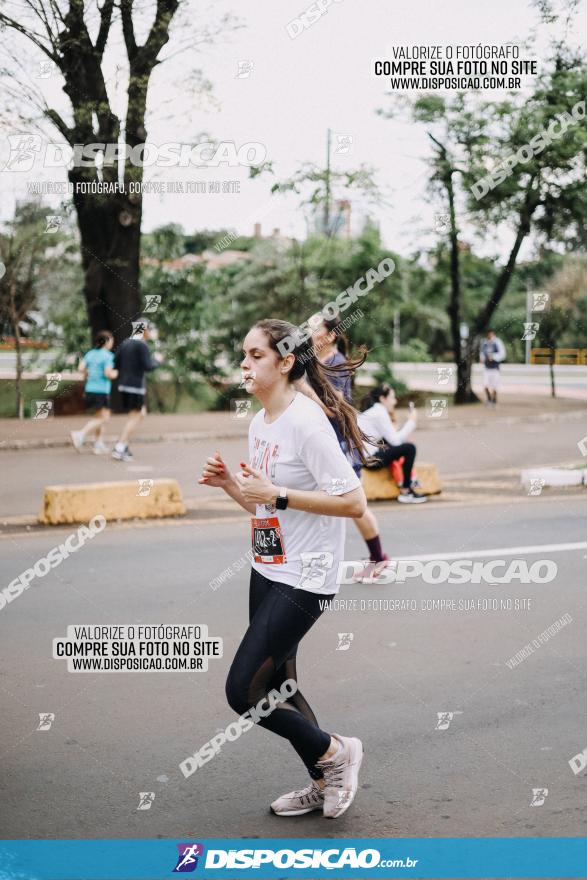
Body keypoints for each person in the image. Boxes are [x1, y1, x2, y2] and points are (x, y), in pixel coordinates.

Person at [199, 318, 367, 820]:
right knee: (279, 686)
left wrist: (274, 492)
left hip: (307, 577)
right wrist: (234, 486)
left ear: (286, 361)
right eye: (243, 355)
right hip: (270, 566)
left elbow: (355, 503)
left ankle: (338, 752)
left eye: (255, 355)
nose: (244, 365)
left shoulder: (306, 422)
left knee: (243, 691)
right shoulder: (260, 424)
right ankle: (323, 777)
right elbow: (270, 509)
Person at [309, 314, 392, 580]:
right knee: (319, 504)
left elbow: (335, 409)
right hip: (319, 444)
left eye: (314, 329)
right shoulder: (313, 362)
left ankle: (378, 558)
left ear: (330, 336)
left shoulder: (337, 364)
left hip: (340, 444)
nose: (309, 333)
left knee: (354, 506)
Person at [358, 384, 428, 503]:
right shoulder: (379, 412)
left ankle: (408, 483)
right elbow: (395, 441)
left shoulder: (374, 411)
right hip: (370, 460)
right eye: (392, 398)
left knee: (402, 446)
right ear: (382, 399)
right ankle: (406, 491)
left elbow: (390, 440)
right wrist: (411, 421)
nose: (395, 402)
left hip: (363, 457)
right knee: (410, 448)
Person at [111, 320, 161, 462]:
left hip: (124, 385)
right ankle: (120, 447)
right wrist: (158, 361)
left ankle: (124, 445)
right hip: (135, 387)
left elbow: (116, 363)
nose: (150, 333)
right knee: (135, 417)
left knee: (141, 414)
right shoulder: (142, 345)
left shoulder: (125, 343)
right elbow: (148, 366)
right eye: (149, 330)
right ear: (144, 330)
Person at [70, 330, 118, 454]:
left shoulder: (90, 354)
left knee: (99, 417)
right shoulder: (108, 356)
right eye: (111, 340)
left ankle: (98, 444)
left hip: (90, 389)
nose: (112, 343)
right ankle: (80, 434)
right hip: (101, 390)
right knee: (104, 418)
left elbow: (81, 368)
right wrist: (116, 373)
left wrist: (91, 374)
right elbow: (108, 374)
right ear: (106, 342)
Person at [480, 329, 506, 407]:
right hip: (487, 367)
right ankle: (489, 398)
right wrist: (482, 358)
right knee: (485, 385)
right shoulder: (484, 343)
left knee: (495, 386)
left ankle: (494, 400)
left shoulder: (497, 342)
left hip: (495, 368)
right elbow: (482, 353)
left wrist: (494, 357)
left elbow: (502, 354)